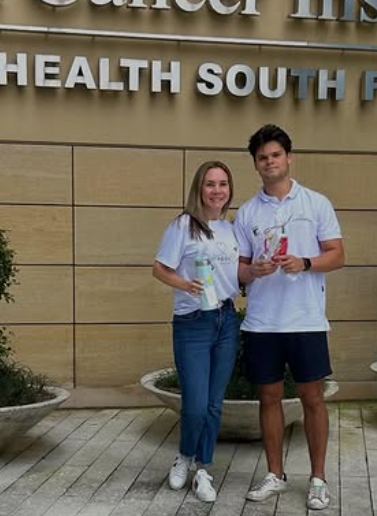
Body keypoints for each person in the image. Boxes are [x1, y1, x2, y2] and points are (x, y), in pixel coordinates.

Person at [234, 124, 345, 510]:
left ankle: (317, 479)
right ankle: (275, 475)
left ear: (289, 158)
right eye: (262, 158)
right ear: (256, 165)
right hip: (263, 322)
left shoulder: (316, 203)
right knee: (269, 398)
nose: (269, 162)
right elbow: (239, 269)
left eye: (275, 155)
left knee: (313, 398)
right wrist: (252, 272)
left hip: (306, 320)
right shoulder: (247, 212)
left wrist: (306, 262)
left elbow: (337, 254)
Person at [153, 161, 240, 503]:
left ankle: (203, 468)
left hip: (226, 320)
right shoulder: (183, 225)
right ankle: (184, 456)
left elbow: (237, 273)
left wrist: (256, 272)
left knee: (215, 404)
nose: (217, 190)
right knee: (195, 405)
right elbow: (159, 269)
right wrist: (184, 284)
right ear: (198, 189)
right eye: (210, 184)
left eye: (223, 184)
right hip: (193, 323)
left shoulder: (232, 230)